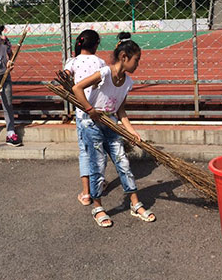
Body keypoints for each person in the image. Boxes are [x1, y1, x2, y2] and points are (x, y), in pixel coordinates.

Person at [72, 32, 156, 228]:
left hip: (110, 125)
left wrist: (132, 131)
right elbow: (77, 89)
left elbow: (120, 110)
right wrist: (90, 110)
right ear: (124, 57)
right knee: (98, 166)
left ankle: (135, 203)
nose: (137, 65)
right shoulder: (104, 73)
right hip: (91, 125)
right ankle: (98, 207)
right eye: (136, 60)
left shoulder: (128, 83)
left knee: (123, 163)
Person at [64, 29, 107, 206]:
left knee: (84, 151)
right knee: (99, 150)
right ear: (96, 44)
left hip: (82, 113)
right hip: (97, 113)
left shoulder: (72, 62)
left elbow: (64, 77)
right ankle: (99, 183)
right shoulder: (101, 62)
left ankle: (86, 192)